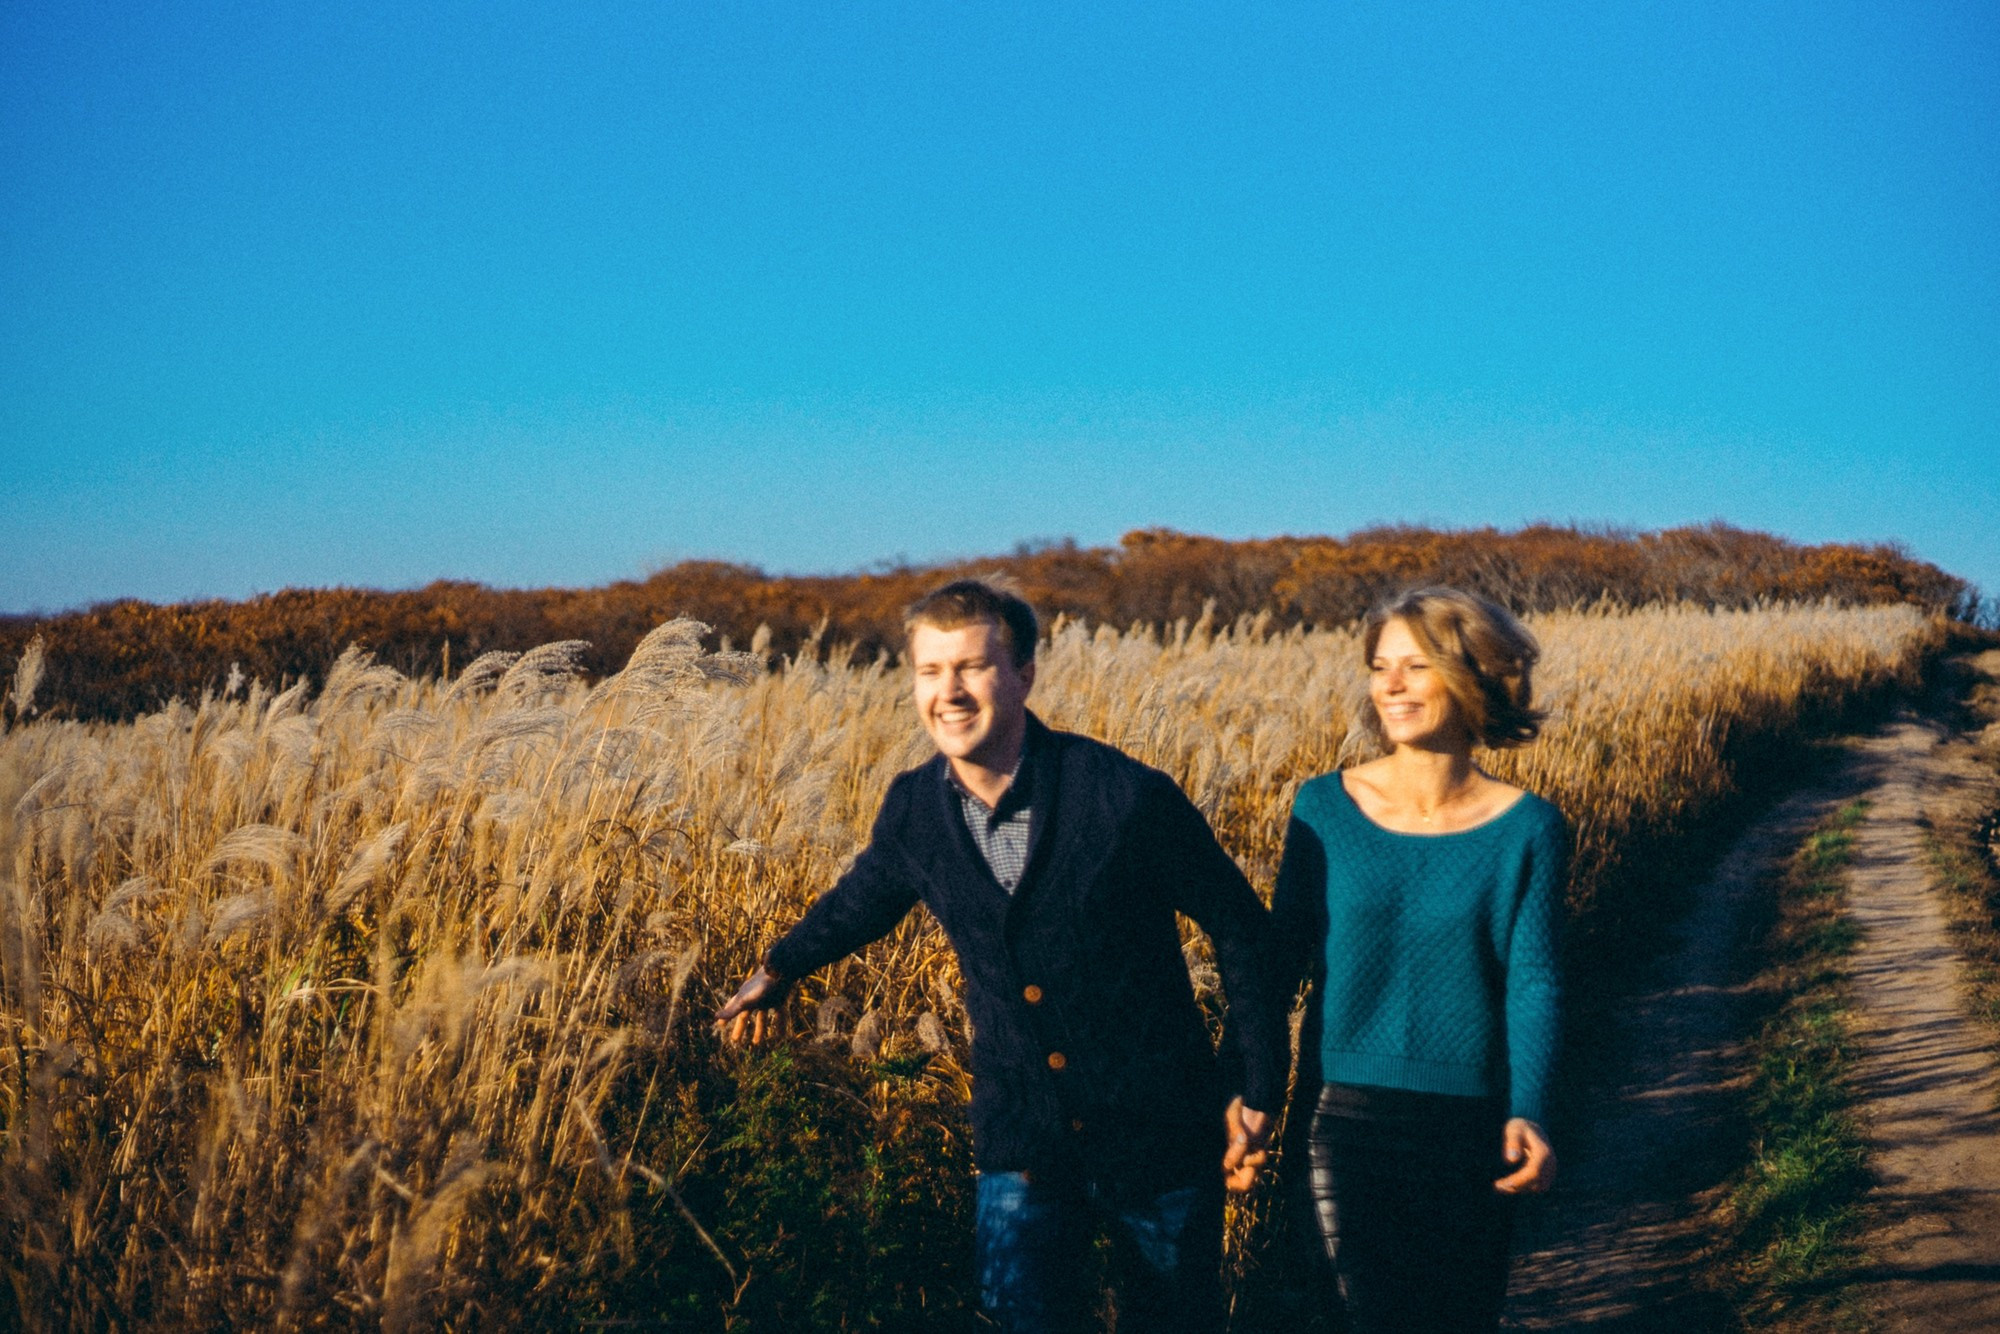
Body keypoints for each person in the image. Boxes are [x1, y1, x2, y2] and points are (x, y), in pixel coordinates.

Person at [715, 578, 1283, 1334]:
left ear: (1024, 675)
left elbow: (1243, 928)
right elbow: (865, 898)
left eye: (973, 668)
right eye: (929, 671)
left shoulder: (1122, 797)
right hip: (1023, 1144)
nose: (948, 692)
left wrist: (1251, 1081)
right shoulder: (914, 808)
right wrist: (778, 970)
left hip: (1159, 1140)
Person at [1268, 586, 1565, 1333]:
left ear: (1472, 677)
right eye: (1379, 666)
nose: (1390, 685)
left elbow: (1532, 980)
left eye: (1414, 666)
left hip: (1468, 1124)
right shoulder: (1323, 809)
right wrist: (1247, 1094)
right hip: (1339, 1116)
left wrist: (1529, 1108)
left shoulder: (1529, 829)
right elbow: (1276, 965)